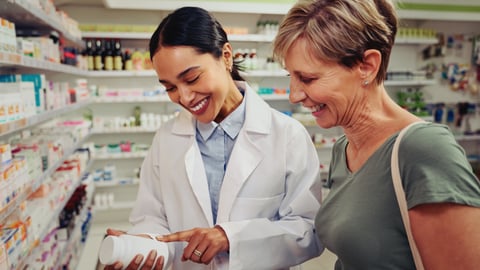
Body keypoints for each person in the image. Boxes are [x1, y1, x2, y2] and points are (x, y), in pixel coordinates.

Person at [104, 6, 324, 270]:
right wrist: (142, 245)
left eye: (192, 78)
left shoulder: (287, 136)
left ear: (226, 56)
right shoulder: (166, 139)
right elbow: (151, 217)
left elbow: (308, 230)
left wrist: (231, 237)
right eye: (170, 88)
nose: (184, 98)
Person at [272, 0, 480, 269]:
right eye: (291, 76)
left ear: (367, 66)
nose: (294, 95)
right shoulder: (344, 148)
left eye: (308, 79)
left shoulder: (423, 150)